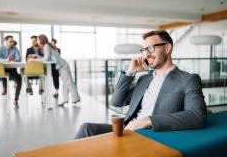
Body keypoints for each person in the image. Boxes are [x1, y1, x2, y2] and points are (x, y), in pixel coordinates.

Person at [74, 30, 207, 139]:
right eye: (144, 50)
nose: (147, 54)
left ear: (167, 48)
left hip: (151, 133)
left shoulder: (188, 79)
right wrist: (131, 72)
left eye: (151, 48)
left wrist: (146, 121)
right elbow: (116, 101)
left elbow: (197, 116)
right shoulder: (144, 79)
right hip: (127, 129)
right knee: (86, 128)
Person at [0, 35, 22, 108]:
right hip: (3, 68)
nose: (12, 43)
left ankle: (16, 100)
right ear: (5, 41)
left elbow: (19, 59)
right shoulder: (0, 48)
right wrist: (6, 60)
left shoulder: (15, 49)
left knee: (19, 80)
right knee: (2, 72)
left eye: (12, 41)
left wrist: (13, 60)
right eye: (10, 41)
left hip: (12, 69)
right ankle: (5, 88)